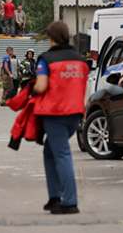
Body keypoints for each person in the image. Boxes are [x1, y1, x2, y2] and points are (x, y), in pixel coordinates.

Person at [34, 21, 89, 215]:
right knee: (50, 152)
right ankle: (54, 197)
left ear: (51, 38)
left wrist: (30, 89)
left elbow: (40, 86)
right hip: (74, 114)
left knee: (62, 154)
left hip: (54, 114)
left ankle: (69, 201)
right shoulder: (80, 60)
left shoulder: (46, 60)